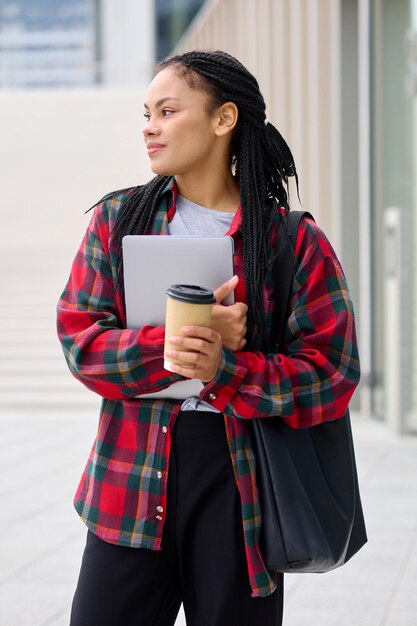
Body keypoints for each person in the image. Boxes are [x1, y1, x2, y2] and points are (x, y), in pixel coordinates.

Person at [57, 50, 360, 626]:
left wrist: (227, 369)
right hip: (131, 474)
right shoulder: (118, 221)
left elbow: (333, 376)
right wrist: (178, 345)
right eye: (145, 113)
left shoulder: (292, 242)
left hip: (241, 485)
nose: (149, 126)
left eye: (167, 111)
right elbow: (81, 343)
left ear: (223, 119)